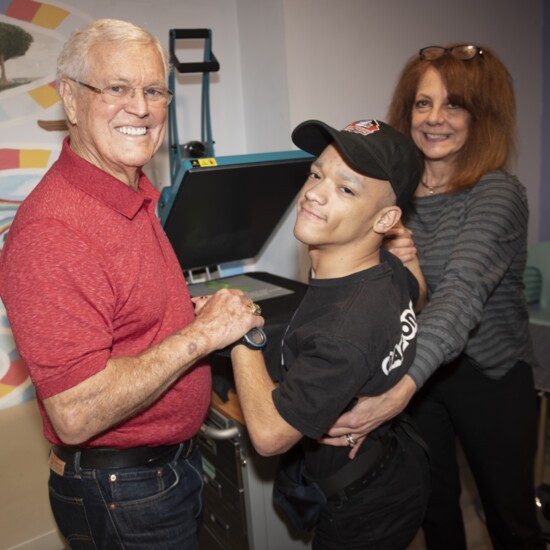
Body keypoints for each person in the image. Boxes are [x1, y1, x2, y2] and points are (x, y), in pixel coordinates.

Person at [0, 19, 262, 549]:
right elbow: (75, 413)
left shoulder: (131, 184)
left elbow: (124, 317)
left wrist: (186, 314)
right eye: (117, 88)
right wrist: (201, 336)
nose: (141, 108)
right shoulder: (52, 232)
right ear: (70, 99)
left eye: (154, 90)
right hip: (123, 491)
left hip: (164, 471)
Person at [326, 44, 545, 549]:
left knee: (510, 520)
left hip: (490, 374)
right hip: (421, 372)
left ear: (481, 116)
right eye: (423, 104)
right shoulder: (393, 197)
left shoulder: (497, 193)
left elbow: (461, 297)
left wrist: (392, 395)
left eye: (454, 105)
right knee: (435, 510)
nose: (434, 119)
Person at [200, 118, 432, 549]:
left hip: (363, 504)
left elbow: (269, 437)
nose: (313, 193)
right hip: (392, 464)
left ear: (385, 217)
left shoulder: (346, 326)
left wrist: (240, 333)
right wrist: (405, 248)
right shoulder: (387, 269)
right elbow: (417, 294)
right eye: (316, 174)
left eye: (346, 189)